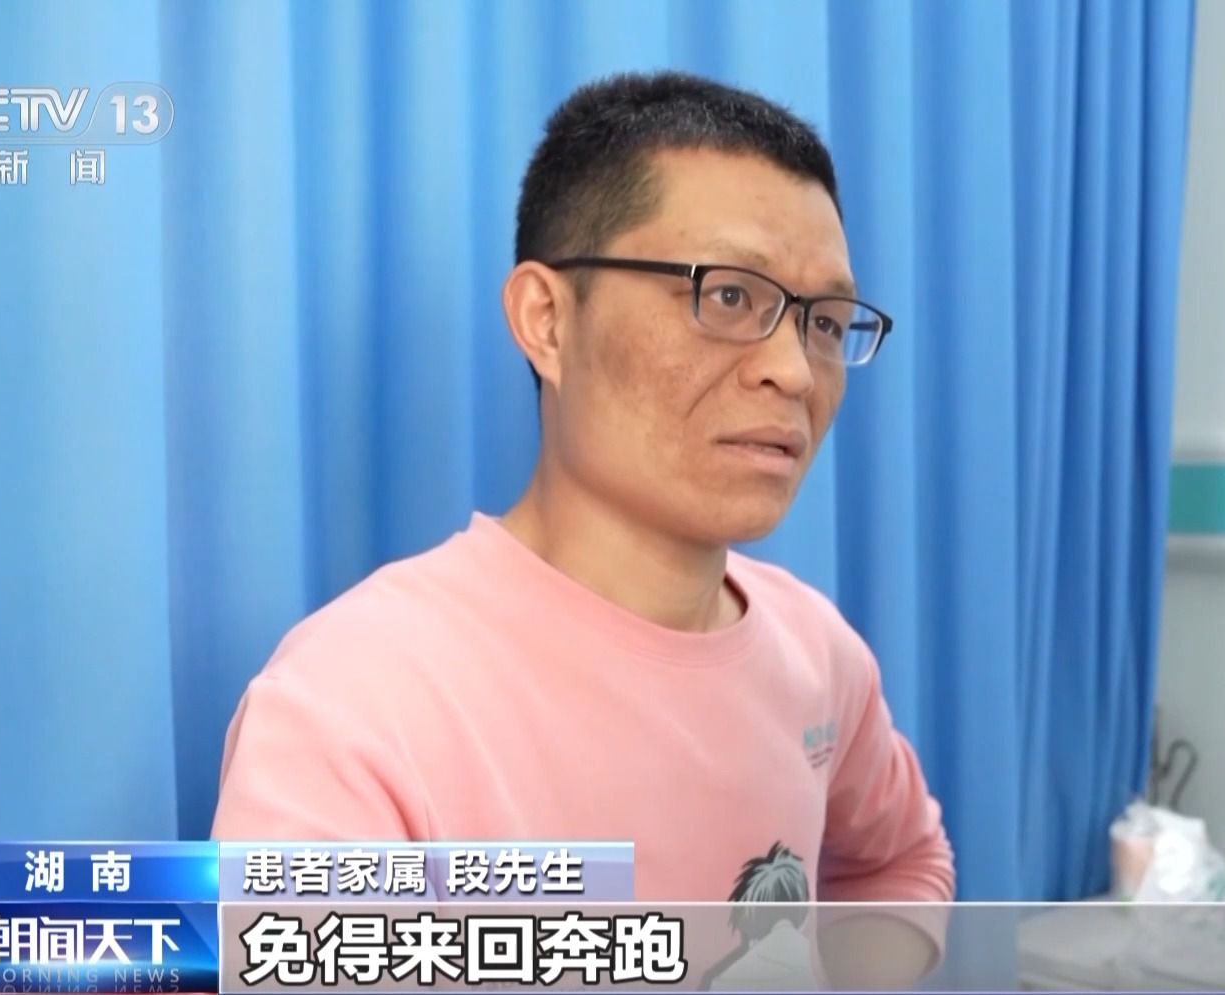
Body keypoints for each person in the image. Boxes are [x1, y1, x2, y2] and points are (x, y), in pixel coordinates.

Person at [211, 70, 955, 986]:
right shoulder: (352, 706)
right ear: (548, 321)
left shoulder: (817, 654)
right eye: (729, 297)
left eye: (826, 322)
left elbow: (901, 860)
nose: (795, 372)